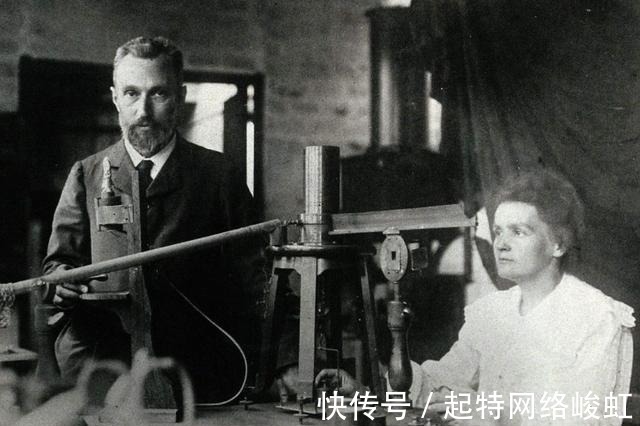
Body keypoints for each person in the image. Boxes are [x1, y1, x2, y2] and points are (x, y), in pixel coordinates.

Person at [42, 36, 265, 403]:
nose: (143, 111)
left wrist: (285, 361)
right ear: (116, 98)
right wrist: (61, 282)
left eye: (158, 93)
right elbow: (57, 266)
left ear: (180, 96)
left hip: (199, 377)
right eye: (131, 93)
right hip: (103, 374)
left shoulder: (219, 176)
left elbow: (258, 280)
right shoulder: (87, 174)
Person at [316, 170, 635, 425]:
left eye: (518, 232)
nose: (501, 244)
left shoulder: (596, 317)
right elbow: (437, 385)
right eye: (498, 231)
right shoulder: (494, 312)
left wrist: (487, 413)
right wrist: (365, 391)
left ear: (559, 245)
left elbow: (586, 418)